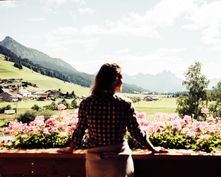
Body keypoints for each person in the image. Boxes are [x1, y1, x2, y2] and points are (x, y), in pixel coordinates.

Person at [58, 63, 167, 177]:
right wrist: (153, 148)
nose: (122, 81)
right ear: (115, 80)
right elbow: (136, 132)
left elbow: (79, 130)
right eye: (121, 77)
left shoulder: (87, 103)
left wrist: (71, 148)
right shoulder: (125, 104)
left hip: (95, 161)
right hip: (120, 160)